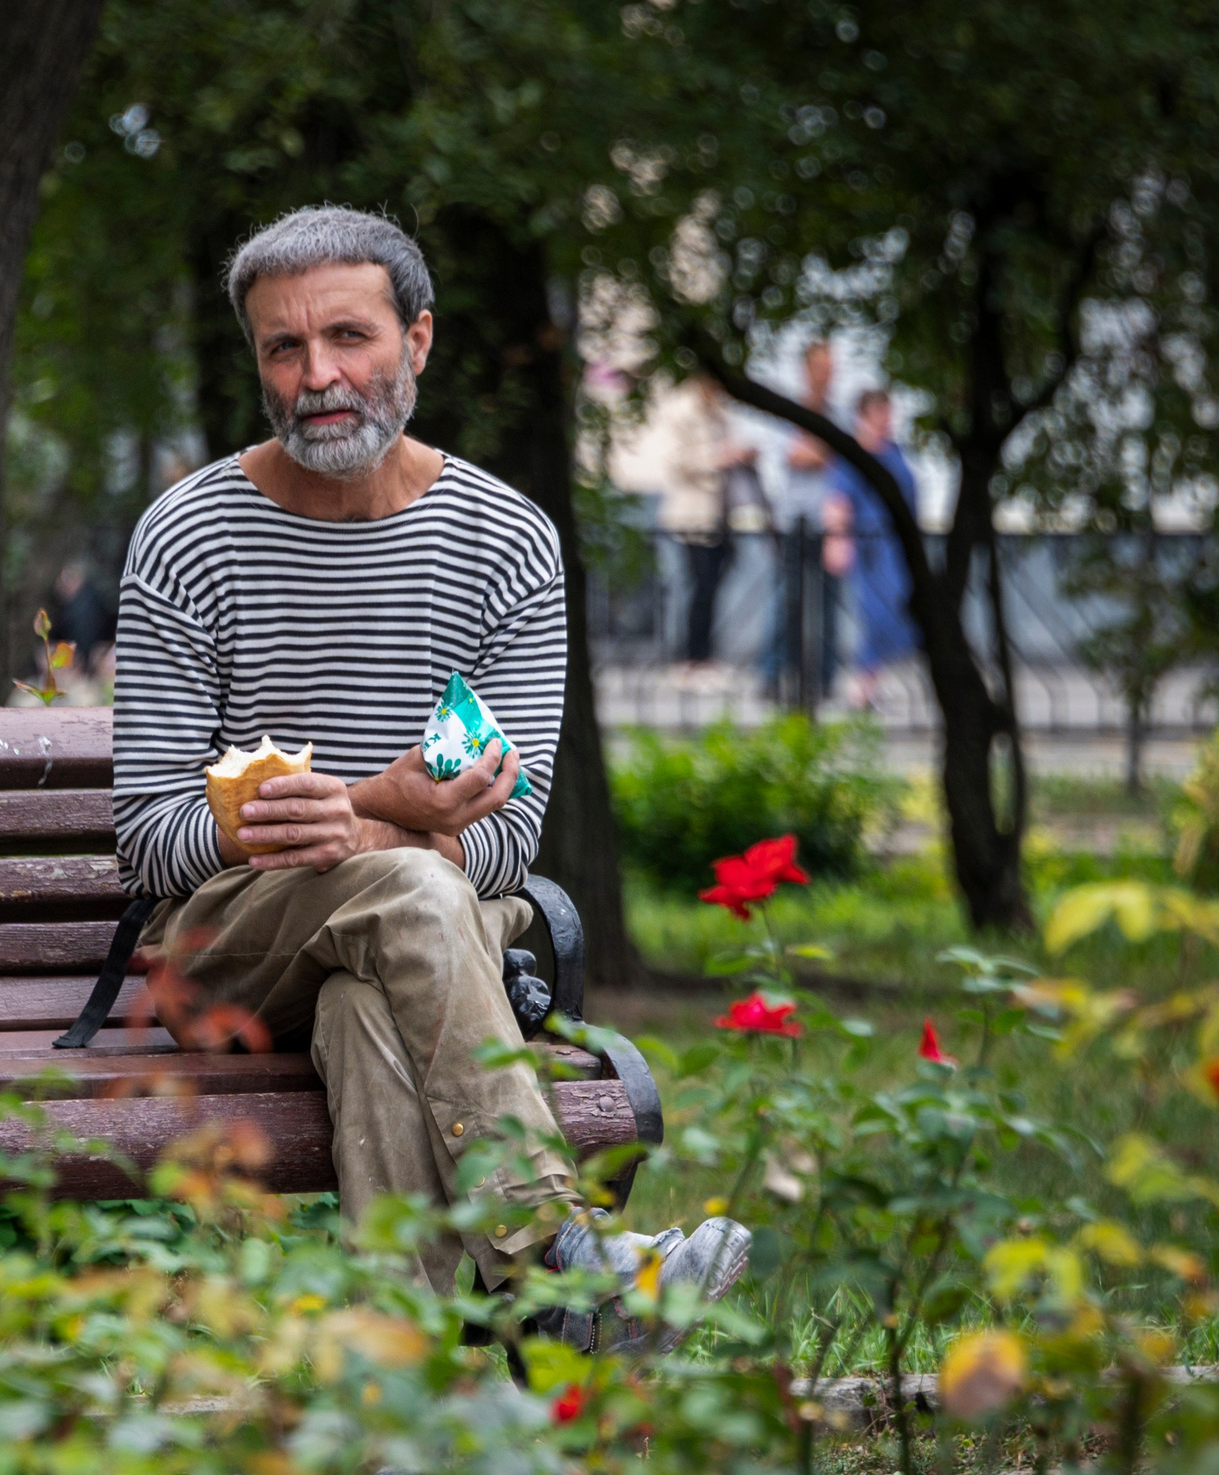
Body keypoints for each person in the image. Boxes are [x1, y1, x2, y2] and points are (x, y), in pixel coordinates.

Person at [112, 206, 749, 1345]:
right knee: (413, 887)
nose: (318, 376)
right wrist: (364, 813)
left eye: (348, 337)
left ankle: (400, 1429)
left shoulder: (501, 541)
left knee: (373, 999)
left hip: (425, 951)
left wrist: (357, 821)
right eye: (282, 348)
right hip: (232, 951)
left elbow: (508, 838)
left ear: (417, 340)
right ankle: (560, 1257)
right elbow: (149, 834)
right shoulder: (191, 535)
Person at [823, 389, 920, 709]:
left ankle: (871, 682)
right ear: (863, 416)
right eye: (879, 413)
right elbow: (838, 499)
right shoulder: (856, 453)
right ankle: (861, 686)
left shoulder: (894, 451)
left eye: (888, 413)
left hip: (898, 545)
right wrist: (837, 539)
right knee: (876, 612)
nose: (886, 420)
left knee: (897, 613)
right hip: (871, 547)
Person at [766, 340, 845, 700]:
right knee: (788, 602)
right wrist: (821, 452)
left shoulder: (837, 413)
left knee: (829, 607)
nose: (826, 377)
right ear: (806, 371)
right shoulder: (790, 412)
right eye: (820, 369)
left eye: (830, 370)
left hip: (828, 523)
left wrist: (819, 452)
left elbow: (842, 459)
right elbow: (794, 456)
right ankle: (774, 675)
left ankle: (824, 679)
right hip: (793, 519)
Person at [663, 373, 756, 673]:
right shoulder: (683, 410)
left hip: (720, 515)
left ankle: (704, 656)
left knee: (713, 584)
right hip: (692, 516)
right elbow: (678, 462)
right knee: (699, 585)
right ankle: (690, 658)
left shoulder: (720, 411)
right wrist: (719, 458)